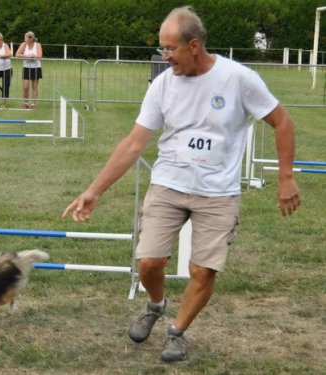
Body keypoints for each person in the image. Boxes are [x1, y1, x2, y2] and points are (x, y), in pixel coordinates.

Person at [62, 6, 301, 363]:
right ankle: (155, 304)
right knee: (148, 263)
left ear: (194, 45)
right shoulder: (162, 84)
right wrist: (94, 191)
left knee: (202, 270)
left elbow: (283, 122)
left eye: (170, 48)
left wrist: (285, 177)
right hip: (168, 185)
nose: (164, 56)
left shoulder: (238, 78)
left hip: (218, 193)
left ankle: (177, 332)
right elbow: (133, 143)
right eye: (162, 48)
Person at [15, 31, 42, 109]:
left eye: (25, 38)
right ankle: (26, 103)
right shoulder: (23, 44)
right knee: (25, 87)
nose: (24, 39)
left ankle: (33, 104)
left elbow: (40, 56)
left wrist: (34, 56)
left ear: (30, 39)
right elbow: (17, 54)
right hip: (27, 67)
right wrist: (27, 56)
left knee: (34, 87)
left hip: (36, 68)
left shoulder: (37, 45)